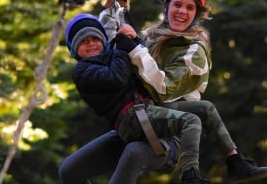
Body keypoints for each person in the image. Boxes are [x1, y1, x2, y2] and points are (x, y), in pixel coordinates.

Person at [116, 0, 267, 183]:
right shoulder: (152, 38)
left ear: (196, 14)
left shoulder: (194, 52)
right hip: (140, 113)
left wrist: (135, 49)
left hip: (172, 125)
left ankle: (219, 166)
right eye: (177, 5)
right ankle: (234, 161)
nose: (182, 12)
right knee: (70, 170)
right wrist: (119, 8)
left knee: (205, 109)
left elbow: (163, 90)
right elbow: (123, 45)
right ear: (166, 8)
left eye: (190, 8)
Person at [59, 13, 208, 184]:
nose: (91, 43)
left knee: (134, 152)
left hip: (164, 138)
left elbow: (145, 61)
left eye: (95, 38)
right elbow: (116, 77)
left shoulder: (119, 54)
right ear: (74, 48)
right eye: (84, 41)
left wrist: (133, 39)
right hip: (132, 131)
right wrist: (123, 47)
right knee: (69, 171)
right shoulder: (85, 71)